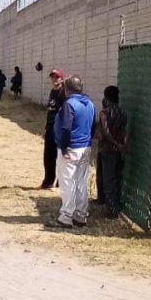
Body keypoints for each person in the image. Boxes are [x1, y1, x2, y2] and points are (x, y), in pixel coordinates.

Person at [54, 75, 96, 228]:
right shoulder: (90, 104)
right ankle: (81, 215)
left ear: (67, 89)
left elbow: (66, 127)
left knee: (67, 181)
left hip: (71, 148)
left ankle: (66, 216)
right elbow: (92, 127)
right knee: (81, 182)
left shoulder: (69, 104)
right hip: (85, 147)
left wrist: (64, 147)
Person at [95, 85, 128, 217]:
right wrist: (122, 145)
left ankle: (112, 209)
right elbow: (126, 131)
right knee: (116, 178)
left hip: (106, 149)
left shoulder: (104, 113)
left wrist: (115, 143)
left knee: (107, 179)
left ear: (106, 98)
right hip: (118, 150)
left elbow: (106, 133)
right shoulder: (122, 113)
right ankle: (112, 203)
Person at [41, 69, 65, 189]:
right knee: (48, 156)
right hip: (50, 128)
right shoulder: (52, 92)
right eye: (52, 77)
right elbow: (50, 111)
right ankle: (48, 181)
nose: (54, 80)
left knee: (60, 156)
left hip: (59, 129)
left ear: (61, 79)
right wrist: (46, 128)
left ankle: (60, 182)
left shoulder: (63, 93)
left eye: (56, 77)